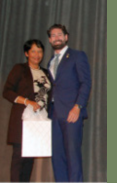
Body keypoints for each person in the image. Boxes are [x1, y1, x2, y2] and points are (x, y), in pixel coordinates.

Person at [46, 24, 92, 182]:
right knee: (57, 157)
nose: (56, 37)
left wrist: (78, 106)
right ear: (50, 40)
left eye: (60, 34)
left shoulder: (77, 56)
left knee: (73, 156)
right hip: (54, 114)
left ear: (66, 37)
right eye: (53, 35)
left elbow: (85, 83)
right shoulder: (51, 62)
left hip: (72, 113)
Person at [3, 39, 51, 182]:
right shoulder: (20, 69)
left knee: (30, 158)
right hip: (23, 118)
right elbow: (7, 92)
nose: (37, 54)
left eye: (40, 51)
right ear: (26, 53)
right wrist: (27, 101)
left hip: (39, 119)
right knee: (19, 157)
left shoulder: (46, 73)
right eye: (33, 51)